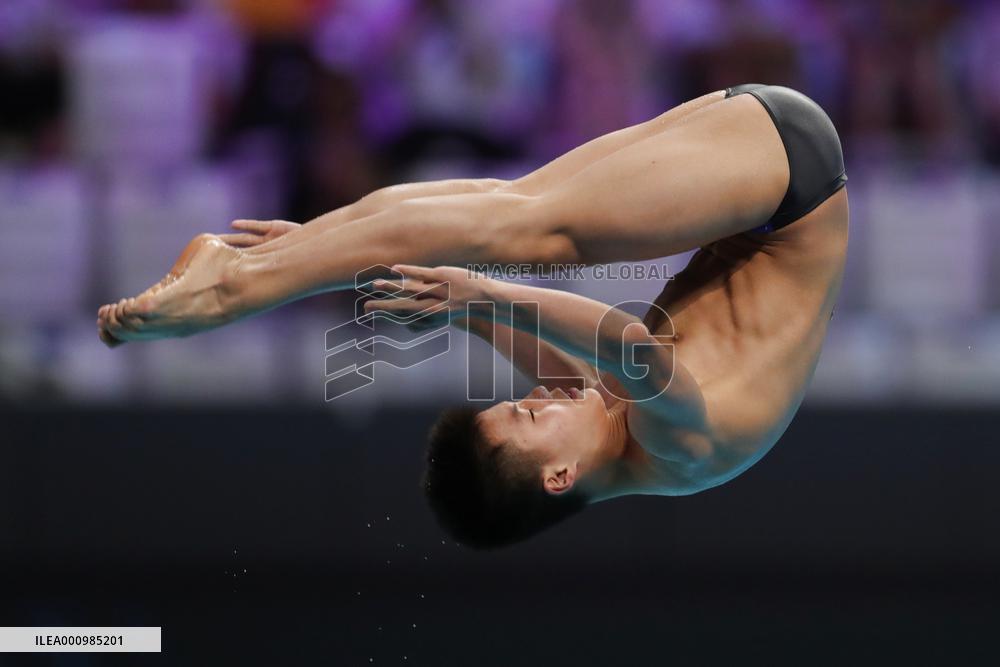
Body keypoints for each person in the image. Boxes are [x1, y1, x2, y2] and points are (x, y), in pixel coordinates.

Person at [97, 84, 849, 548]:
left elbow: (461, 287)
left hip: (764, 164)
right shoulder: (686, 452)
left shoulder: (606, 425)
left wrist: (341, 252)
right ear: (559, 475)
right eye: (526, 412)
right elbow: (628, 346)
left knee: (503, 211)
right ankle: (236, 288)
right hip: (788, 181)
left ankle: (272, 263)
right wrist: (476, 296)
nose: (539, 394)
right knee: (530, 236)